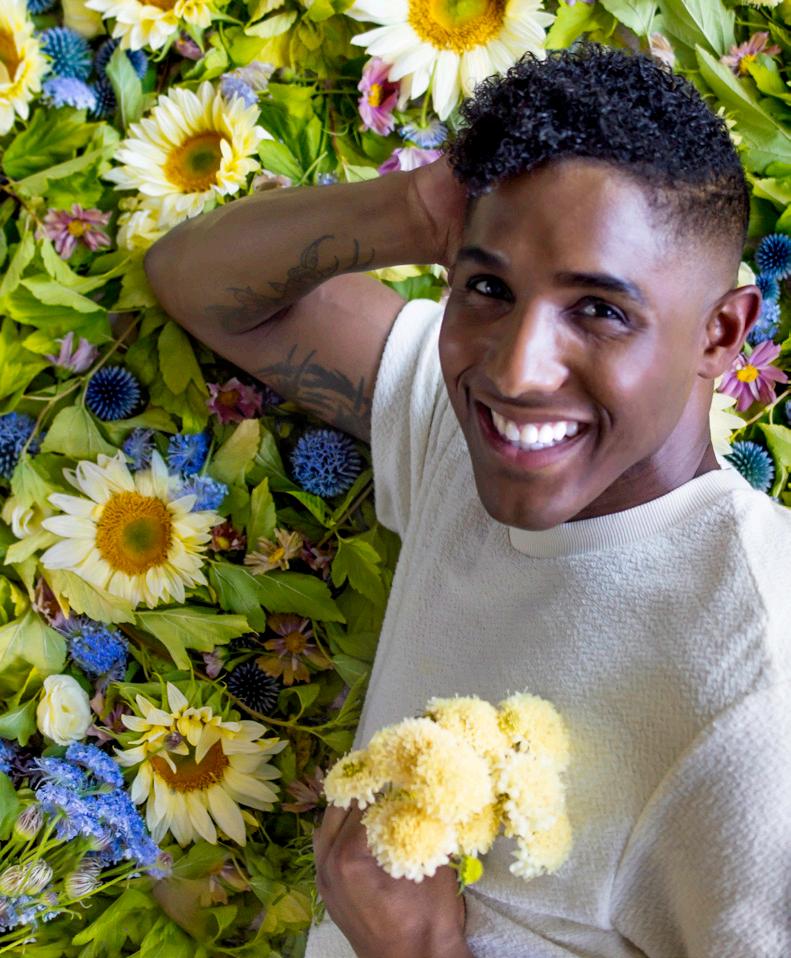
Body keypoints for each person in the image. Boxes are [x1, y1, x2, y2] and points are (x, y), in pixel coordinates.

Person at [144, 42, 791, 958]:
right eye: (487, 287)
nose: (516, 371)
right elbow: (196, 281)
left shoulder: (755, 696)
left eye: (599, 310)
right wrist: (412, 210)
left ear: (721, 334)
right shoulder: (475, 435)